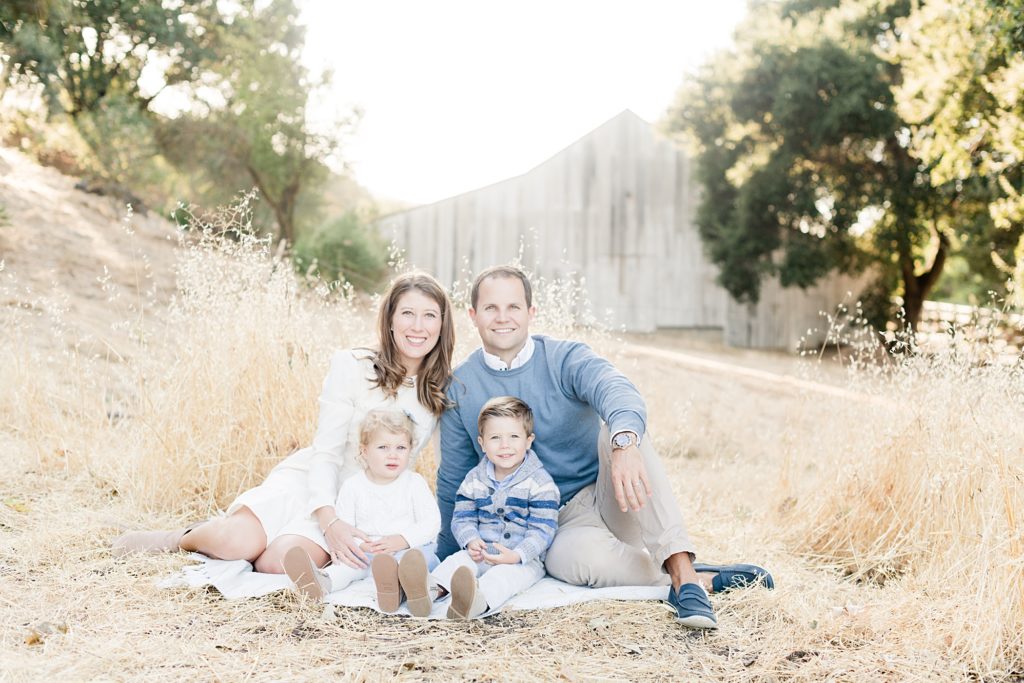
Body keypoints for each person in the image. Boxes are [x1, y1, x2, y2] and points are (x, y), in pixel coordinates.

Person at [436, 265, 773, 630]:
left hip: (609, 497)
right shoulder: (461, 388)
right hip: (550, 527)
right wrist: (442, 560)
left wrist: (624, 443)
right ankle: (700, 578)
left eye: (513, 307)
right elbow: (455, 479)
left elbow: (618, 391)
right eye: (491, 308)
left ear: (531, 313)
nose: (503, 318)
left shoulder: (564, 358)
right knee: (576, 563)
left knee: (621, 428)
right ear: (472, 316)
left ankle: (682, 570)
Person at [113, 271, 455, 578]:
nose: (417, 326)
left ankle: (260, 547)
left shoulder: (442, 391)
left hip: (362, 505)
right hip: (311, 482)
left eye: (429, 316)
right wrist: (328, 519)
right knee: (234, 542)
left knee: (278, 562)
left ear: (442, 325)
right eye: (407, 313)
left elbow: (447, 469)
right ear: (390, 320)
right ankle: (180, 538)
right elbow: (326, 451)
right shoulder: (352, 365)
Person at [397, 396, 558, 619]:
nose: (505, 445)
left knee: (502, 578)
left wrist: (517, 555)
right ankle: (428, 593)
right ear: (482, 443)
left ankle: (474, 603)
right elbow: (463, 517)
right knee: (457, 563)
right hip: (480, 553)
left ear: (528, 440)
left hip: (521, 560)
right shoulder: (475, 479)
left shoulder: (540, 483)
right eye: (495, 438)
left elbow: (543, 529)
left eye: (514, 437)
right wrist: (470, 540)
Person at [281, 409, 440, 612]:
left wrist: (402, 539)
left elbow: (431, 523)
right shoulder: (353, 486)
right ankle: (321, 583)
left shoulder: (414, 483)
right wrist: (360, 545)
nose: (393, 454)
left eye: (401, 447)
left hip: (406, 550)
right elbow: (346, 526)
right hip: (368, 553)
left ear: (410, 449)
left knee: (417, 562)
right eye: (383, 447)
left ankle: (397, 590)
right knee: (347, 567)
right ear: (364, 451)